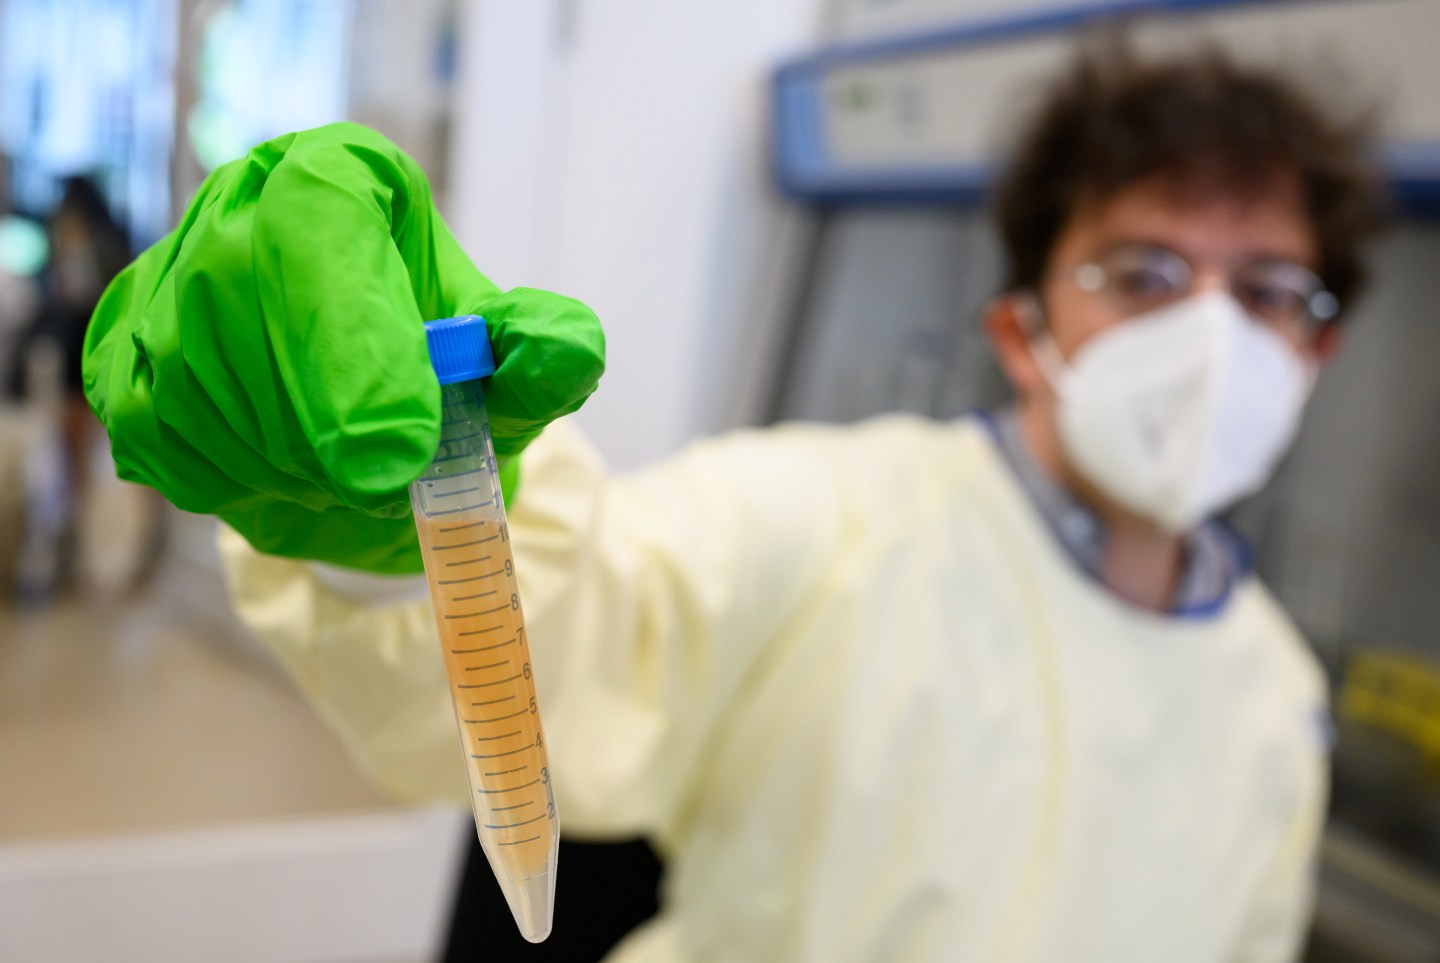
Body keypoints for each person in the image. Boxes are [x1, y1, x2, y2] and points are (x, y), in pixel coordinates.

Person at [81, 45, 1386, 963]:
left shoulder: (1276, 699)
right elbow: (582, 626)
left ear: (1319, 350)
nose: (1211, 335)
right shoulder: (828, 516)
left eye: (1272, 291)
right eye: (1143, 272)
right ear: (1021, 325)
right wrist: (386, 532)